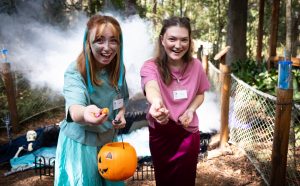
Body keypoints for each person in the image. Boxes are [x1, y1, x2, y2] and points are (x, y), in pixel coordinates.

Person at [55, 14, 128, 186]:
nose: (107, 48)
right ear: (88, 42)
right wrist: (87, 113)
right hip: (81, 146)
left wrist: (121, 115)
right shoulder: (75, 71)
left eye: (113, 41)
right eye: (100, 40)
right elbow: (75, 108)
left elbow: (121, 100)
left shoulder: (118, 69)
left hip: (108, 144)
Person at [140, 16, 210, 186]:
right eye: (172, 39)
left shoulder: (197, 66)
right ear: (162, 40)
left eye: (184, 40)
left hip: (188, 134)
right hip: (161, 135)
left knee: (186, 181)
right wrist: (157, 103)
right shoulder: (150, 66)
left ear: (189, 41)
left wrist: (191, 110)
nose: (178, 45)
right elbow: (151, 86)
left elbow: (200, 93)